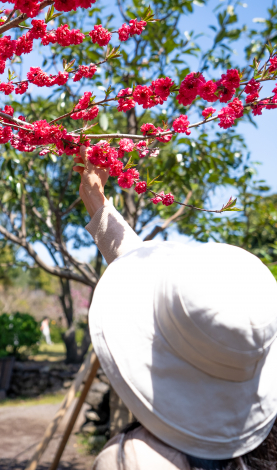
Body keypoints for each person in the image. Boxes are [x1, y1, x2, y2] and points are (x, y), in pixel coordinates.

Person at [73, 146, 277, 470]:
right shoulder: (262, 449)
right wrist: (98, 205)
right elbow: (195, 310)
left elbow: (189, 312)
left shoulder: (133, 461)